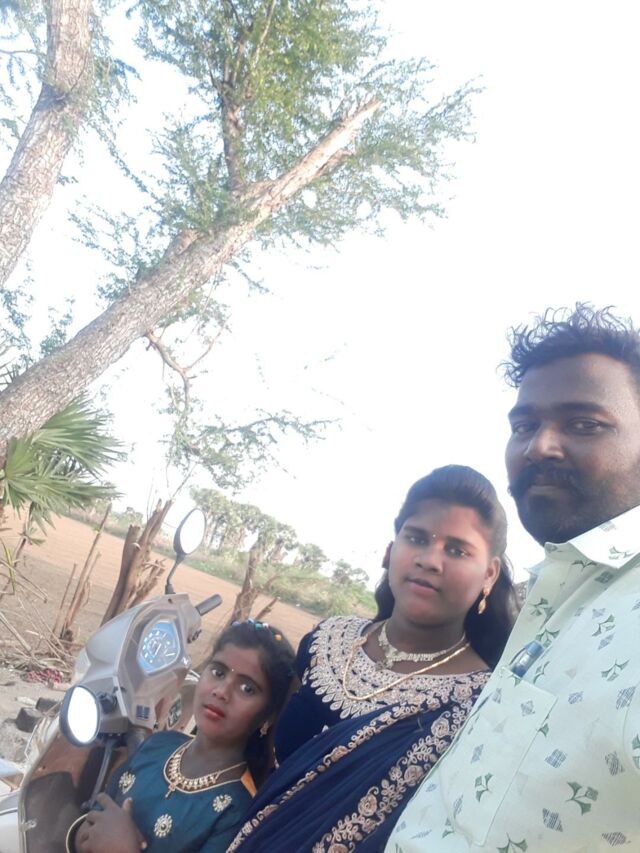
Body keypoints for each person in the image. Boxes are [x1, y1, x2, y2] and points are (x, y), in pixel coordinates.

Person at [387, 304, 640, 852]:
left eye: (584, 424)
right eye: (524, 425)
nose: (539, 446)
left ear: (489, 574)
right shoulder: (559, 594)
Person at [228, 465, 519, 851]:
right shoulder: (326, 641)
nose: (430, 560)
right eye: (417, 538)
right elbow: (262, 761)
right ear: (391, 549)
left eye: (456, 550)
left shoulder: (482, 707)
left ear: (489, 574)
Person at [68, 620, 295, 853]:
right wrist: (85, 835)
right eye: (218, 672)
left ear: (268, 714)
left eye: (247, 688)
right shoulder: (158, 744)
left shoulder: (237, 810)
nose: (221, 691)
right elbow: (92, 823)